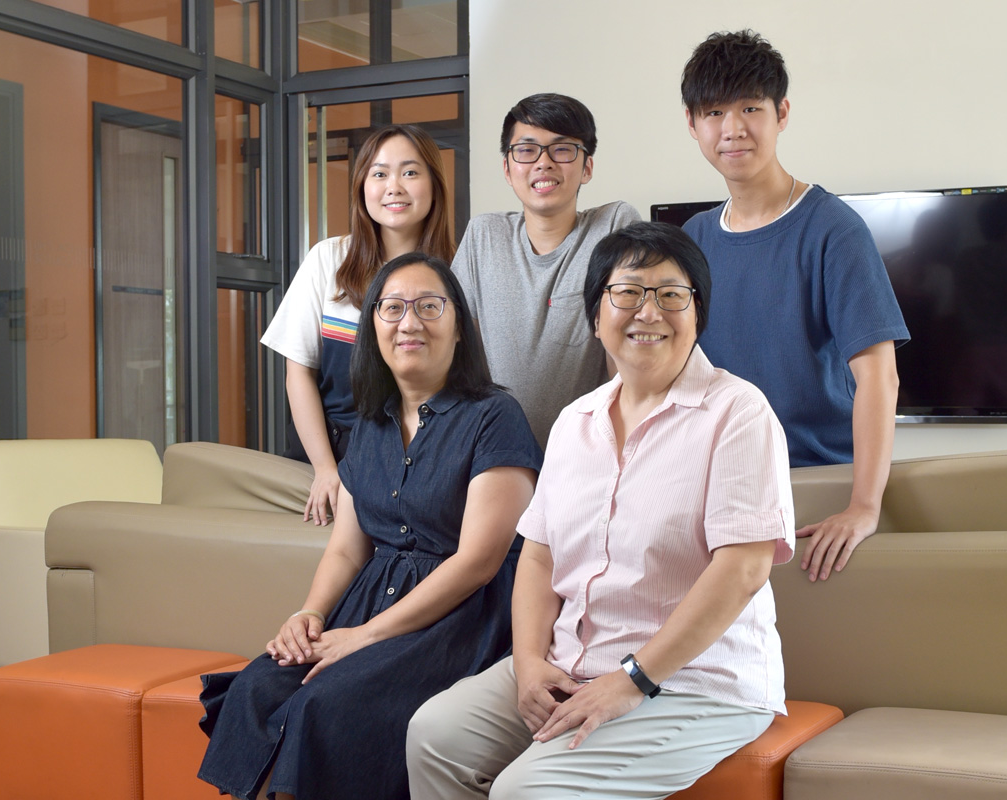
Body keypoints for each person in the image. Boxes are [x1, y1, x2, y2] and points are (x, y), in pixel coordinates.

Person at [407, 222, 794, 800]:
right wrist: (531, 662)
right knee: (433, 734)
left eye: (671, 294)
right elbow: (537, 559)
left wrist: (633, 680)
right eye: (628, 292)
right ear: (595, 316)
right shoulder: (575, 422)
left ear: (697, 313)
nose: (649, 311)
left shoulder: (737, 412)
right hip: (572, 661)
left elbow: (742, 569)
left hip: (694, 681)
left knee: (525, 791)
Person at [198, 254, 543, 800]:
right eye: (393, 308)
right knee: (258, 687)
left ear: (460, 329)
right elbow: (346, 550)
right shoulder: (370, 423)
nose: (410, 322)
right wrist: (309, 614)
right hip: (368, 603)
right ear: (372, 329)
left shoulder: (494, 415)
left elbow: (479, 561)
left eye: (430, 306)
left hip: (458, 619)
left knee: (326, 704)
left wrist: (363, 637)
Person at [679, 30, 910, 581]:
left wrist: (863, 506)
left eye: (750, 108)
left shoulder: (833, 229)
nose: (732, 128)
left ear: (782, 113)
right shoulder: (692, 239)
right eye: (714, 112)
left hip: (810, 483)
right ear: (692, 124)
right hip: (715, 487)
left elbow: (879, 378)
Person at [260, 124, 456, 525]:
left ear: (434, 185)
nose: (394, 187)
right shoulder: (328, 260)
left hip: (428, 455)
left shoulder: (460, 270)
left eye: (411, 172)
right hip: (336, 450)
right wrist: (325, 469)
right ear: (362, 186)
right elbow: (298, 373)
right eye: (379, 173)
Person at [450, 93, 641, 446]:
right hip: (494, 452)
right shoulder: (483, 235)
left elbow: (624, 349)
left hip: (588, 451)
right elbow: (457, 350)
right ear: (507, 168)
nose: (544, 163)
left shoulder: (613, 226)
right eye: (526, 150)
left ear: (587, 167)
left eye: (562, 149)